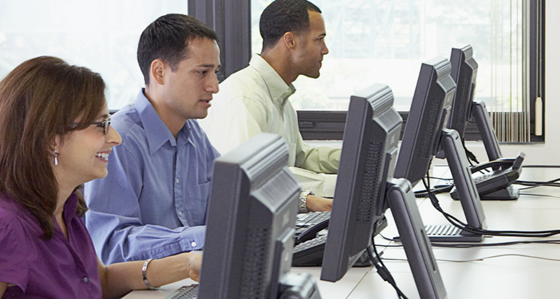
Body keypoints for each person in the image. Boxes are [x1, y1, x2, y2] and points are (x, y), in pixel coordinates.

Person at [0, 56, 201, 298]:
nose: (116, 137)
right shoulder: (7, 225)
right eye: (102, 125)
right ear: (52, 138)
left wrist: (187, 265)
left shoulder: (65, 208)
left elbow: (100, 280)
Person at [83, 14, 221, 264]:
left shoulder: (193, 134)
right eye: (202, 72)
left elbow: (227, 201)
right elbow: (112, 245)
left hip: (186, 278)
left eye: (215, 72)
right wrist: (200, 239)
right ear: (159, 72)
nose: (214, 86)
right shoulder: (119, 140)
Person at [198, 0, 339, 211]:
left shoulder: (278, 94)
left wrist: (356, 160)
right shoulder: (244, 99)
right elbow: (252, 179)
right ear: (290, 41)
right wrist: (339, 186)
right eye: (319, 40)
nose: (325, 50)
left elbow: (301, 158)